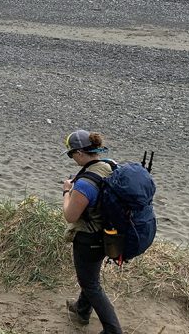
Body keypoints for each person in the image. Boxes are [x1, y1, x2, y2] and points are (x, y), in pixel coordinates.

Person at [61, 129, 122, 334]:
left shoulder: (86, 183)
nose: (72, 158)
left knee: (90, 284)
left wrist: (67, 191)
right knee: (91, 277)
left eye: (71, 154)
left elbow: (70, 216)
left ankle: (113, 330)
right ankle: (82, 310)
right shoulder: (110, 166)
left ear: (79, 153)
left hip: (89, 238)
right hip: (109, 234)